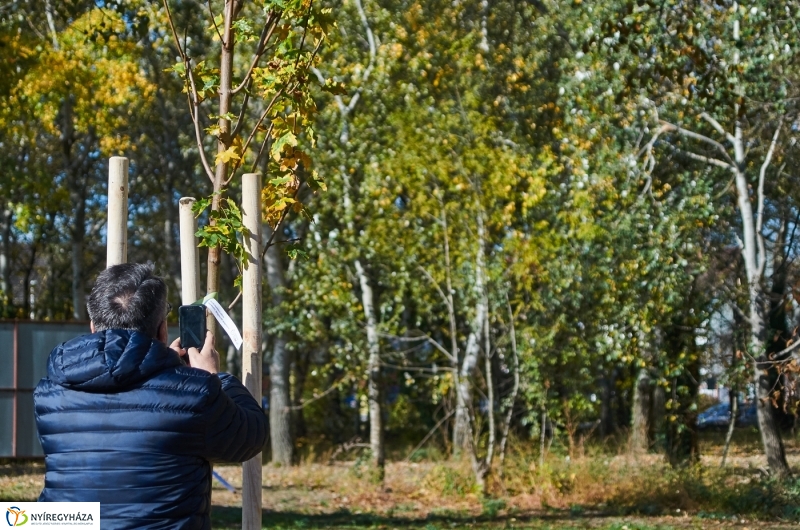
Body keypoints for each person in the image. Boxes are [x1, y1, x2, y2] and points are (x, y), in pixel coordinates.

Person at [34, 263, 268, 529]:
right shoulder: (195, 394)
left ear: (92, 326)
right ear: (162, 330)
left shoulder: (49, 392)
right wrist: (213, 378)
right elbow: (251, 436)